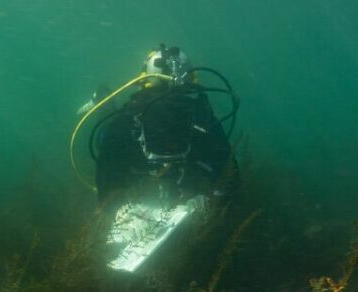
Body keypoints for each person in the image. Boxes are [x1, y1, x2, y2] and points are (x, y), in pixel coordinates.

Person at [76, 45, 240, 210]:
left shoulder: (202, 119)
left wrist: (207, 198)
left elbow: (228, 172)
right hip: (134, 161)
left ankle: (103, 98)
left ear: (145, 79)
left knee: (109, 135)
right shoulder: (128, 121)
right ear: (191, 79)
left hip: (140, 161)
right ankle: (102, 97)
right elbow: (107, 172)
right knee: (103, 130)